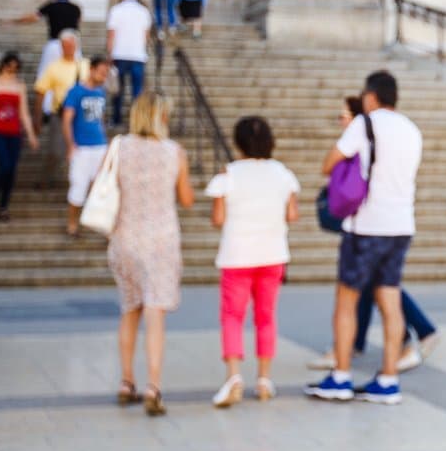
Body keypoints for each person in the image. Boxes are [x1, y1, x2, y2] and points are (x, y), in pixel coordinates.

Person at [305, 71, 422, 405]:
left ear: (371, 96)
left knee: (347, 301)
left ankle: (340, 376)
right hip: (400, 226)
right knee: (390, 301)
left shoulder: (364, 124)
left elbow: (330, 163)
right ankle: (388, 379)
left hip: (367, 225)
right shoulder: (411, 130)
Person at [206, 116, 301, 407]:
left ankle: (234, 374)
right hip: (273, 254)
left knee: (233, 316)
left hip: (237, 255)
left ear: (238, 142)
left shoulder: (228, 175)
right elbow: (292, 215)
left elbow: (218, 219)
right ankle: (264, 378)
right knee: (266, 316)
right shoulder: (283, 174)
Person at [109, 94, 194, 416]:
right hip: (160, 240)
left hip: (125, 237)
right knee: (154, 312)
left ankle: (126, 380)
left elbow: (107, 186)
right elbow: (186, 198)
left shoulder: (118, 147)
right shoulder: (174, 152)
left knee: (130, 308)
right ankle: (153, 385)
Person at [0, 53, 37, 222]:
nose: (12, 70)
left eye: (15, 68)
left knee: (11, 170)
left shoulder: (19, 85)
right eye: (9, 67)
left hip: (14, 132)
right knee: (4, 165)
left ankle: (4, 205)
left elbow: (23, 112)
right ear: (3, 65)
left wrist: (31, 134)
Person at [62, 56, 113, 238]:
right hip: (81, 147)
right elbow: (67, 120)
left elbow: (101, 120)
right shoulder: (76, 92)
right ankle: (72, 224)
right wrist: (70, 145)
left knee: (101, 188)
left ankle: (103, 226)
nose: (103, 76)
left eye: (106, 73)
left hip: (99, 145)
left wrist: (107, 144)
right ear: (91, 69)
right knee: (78, 186)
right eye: (101, 72)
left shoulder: (101, 93)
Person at [34, 31, 87, 188]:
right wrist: (36, 117)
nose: (68, 48)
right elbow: (41, 91)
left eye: (71, 45)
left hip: (81, 116)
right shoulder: (54, 67)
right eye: (65, 46)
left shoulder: (85, 65)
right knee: (56, 151)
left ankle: (75, 183)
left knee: (81, 152)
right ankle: (46, 178)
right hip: (60, 115)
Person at [15, 0, 82, 80]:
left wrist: (16, 21)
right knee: (74, 75)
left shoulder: (51, 5)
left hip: (55, 44)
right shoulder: (76, 7)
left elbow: (34, 17)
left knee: (46, 73)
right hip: (73, 44)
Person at [106, 0, 153, 125]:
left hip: (119, 54)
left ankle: (116, 119)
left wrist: (109, 53)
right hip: (138, 55)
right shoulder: (144, 11)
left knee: (117, 90)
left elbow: (111, 35)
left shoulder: (116, 10)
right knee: (137, 92)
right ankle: (137, 122)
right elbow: (146, 36)